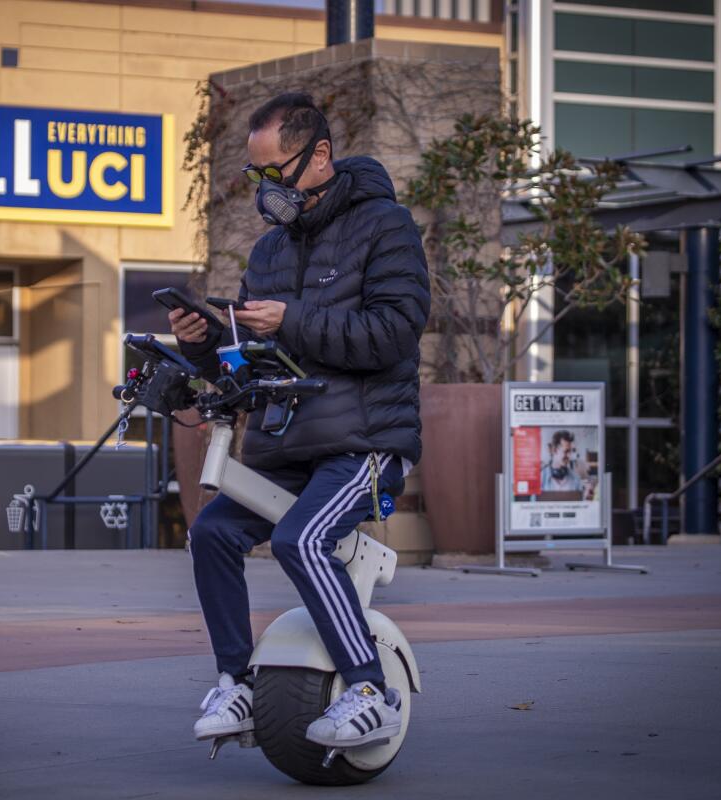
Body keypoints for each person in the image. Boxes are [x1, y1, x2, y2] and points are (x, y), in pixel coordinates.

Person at [169, 92, 430, 750]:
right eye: (253, 176)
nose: (262, 191)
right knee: (213, 535)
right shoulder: (269, 253)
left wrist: (293, 320)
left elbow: (395, 333)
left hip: (365, 441)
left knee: (301, 540)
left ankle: (373, 692)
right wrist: (203, 343)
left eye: (272, 172)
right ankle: (237, 684)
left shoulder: (387, 226)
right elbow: (255, 363)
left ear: (319, 157)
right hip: (291, 440)